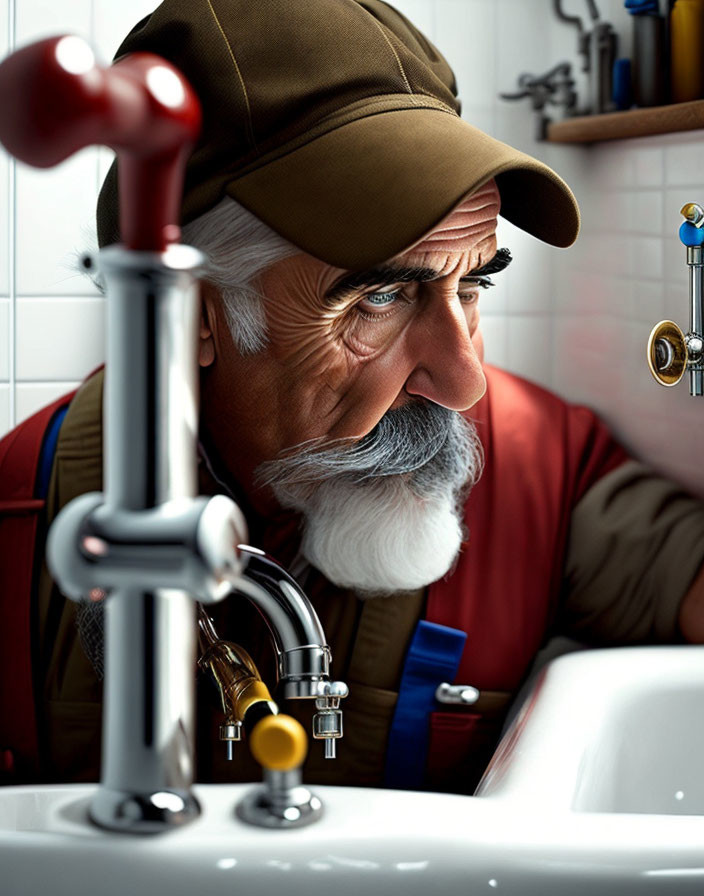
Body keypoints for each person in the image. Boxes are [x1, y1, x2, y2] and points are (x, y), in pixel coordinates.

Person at [7, 0, 704, 791]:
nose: (464, 379)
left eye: (471, 283)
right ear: (187, 314)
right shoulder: (19, 516)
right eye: (380, 297)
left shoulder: (539, 464)